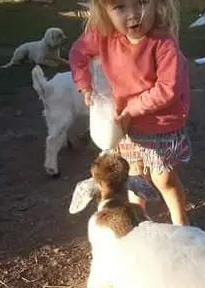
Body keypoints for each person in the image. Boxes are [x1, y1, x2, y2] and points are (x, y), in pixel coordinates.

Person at [69, 0, 191, 226]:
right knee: (135, 174)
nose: (134, 14)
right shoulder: (104, 35)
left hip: (160, 123)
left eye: (142, 3)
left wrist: (131, 108)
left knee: (163, 178)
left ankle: (181, 224)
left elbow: (168, 89)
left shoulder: (163, 43)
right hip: (124, 125)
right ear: (104, 12)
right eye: (120, 7)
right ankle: (140, 221)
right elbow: (78, 53)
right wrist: (84, 84)